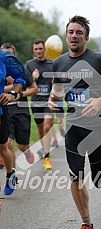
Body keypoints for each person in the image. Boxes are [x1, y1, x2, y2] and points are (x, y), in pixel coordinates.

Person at [48, 15, 101, 229]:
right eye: (71, 32)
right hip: (73, 127)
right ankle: (86, 225)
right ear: (66, 36)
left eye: (79, 32)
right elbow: (58, 92)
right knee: (76, 177)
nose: (74, 36)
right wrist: (54, 102)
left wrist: (100, 101)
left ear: (86, 37)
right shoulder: (59, 63)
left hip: (99, 127)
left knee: (98, 180)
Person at [1, 43, 38, 167]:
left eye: (9, 55)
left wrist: (18, 94)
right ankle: (12, 173)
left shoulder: (20, 70)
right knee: (8, 142)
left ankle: (26, 152)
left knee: (22, 146)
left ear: (14, 55)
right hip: (6, 112)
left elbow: (34, 89)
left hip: (21, 111)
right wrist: (11, 88)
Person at [25, 39, 56, 172]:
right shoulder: (29, 65)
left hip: (49, 101)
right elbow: (24, 84)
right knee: (41, 129)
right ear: (33, 51)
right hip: (36, 101)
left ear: (45, 49)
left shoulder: (52, 64)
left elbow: (58, 82)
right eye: (36, 49)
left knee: (47, 125)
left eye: (40, 48)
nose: (38, 51)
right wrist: (33, 78)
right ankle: (44, 150)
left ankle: (47, 157)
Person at [0, 48, 26, 195]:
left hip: (1, 111)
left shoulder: (4, 57)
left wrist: (12, 94)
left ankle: (10, 173)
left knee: (3, 148)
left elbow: (21, 77)